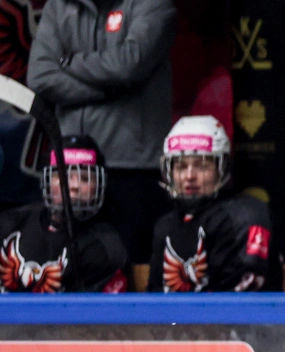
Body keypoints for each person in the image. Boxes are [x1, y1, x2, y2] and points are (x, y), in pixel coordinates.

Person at [27, 0, 176, 261]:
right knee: (69, 264)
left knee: (134, 264)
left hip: (132, 166)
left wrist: (68, 62)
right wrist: (110, 90)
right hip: (73, 167)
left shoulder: (153, 3)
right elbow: (40, 76)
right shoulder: (59, 6)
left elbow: (129, 63)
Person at [147, 115, 276, 292]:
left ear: (221, 169)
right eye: (181, 167)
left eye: (201, 166)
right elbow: (154, 297)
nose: (189, 176)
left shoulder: (244, 218)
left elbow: (235, 301)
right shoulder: (166, 225)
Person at [0, 134, 128, 293]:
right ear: (47, 181)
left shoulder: (106, 250)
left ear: (99, 184)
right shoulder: (10, 224)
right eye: (63, 176)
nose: (74, 186)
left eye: (85, 178)